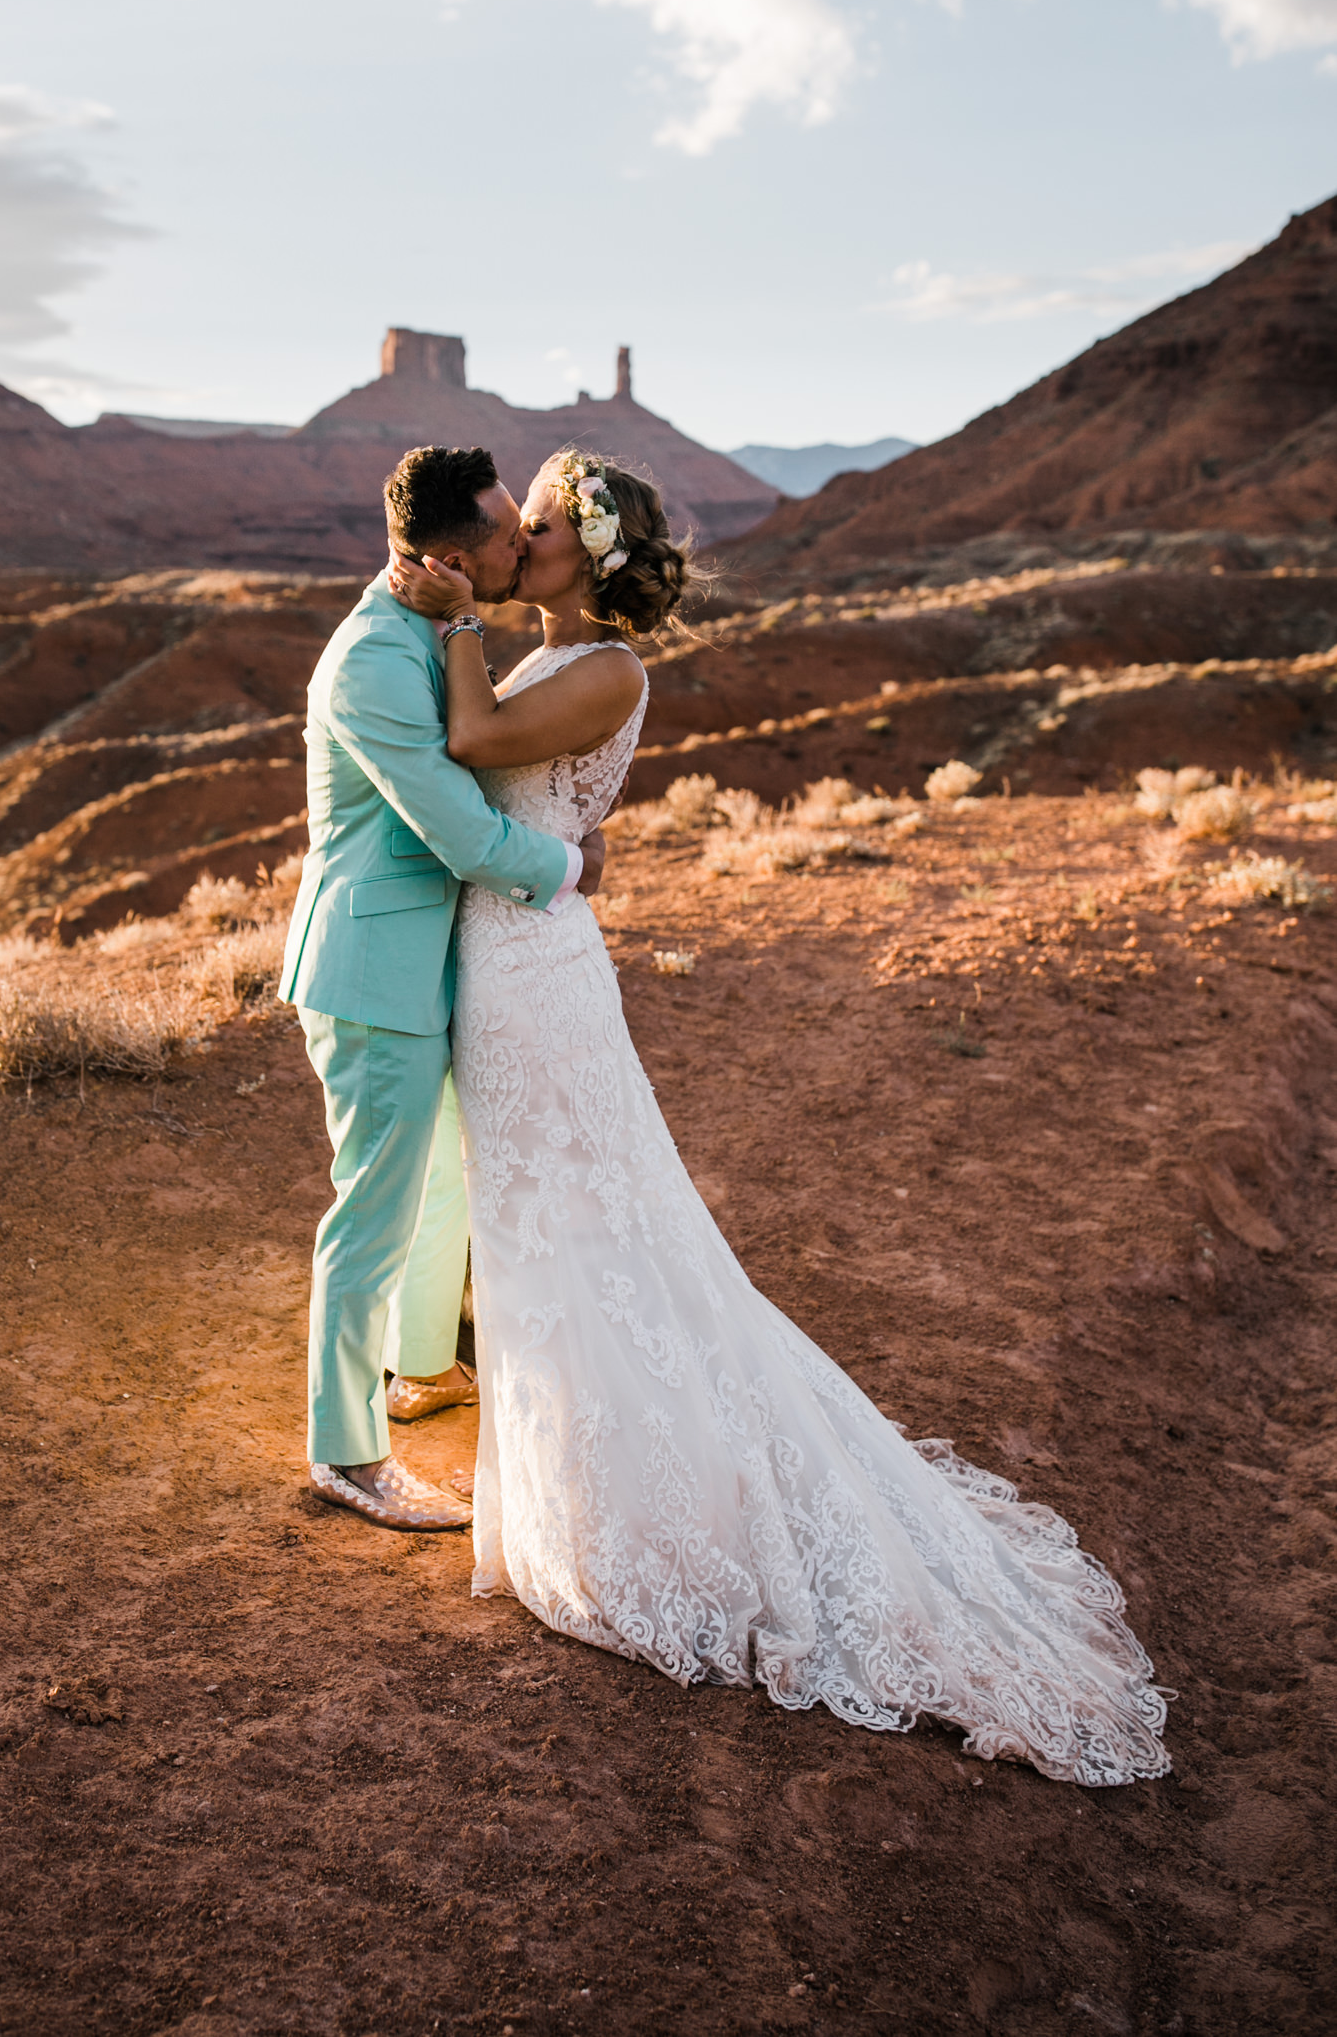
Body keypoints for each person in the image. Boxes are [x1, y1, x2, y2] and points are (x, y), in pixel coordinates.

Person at [387, 450, 1169, 1786]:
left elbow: (471, 744)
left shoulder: (609, 668)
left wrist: (450, 616)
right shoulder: (555, 652)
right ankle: (566, 1457)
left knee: (579, 1225)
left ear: (592, 552)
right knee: (543, 1224)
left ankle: (631, 1506)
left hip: (533, 982)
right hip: (507, 960)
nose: (523, 530)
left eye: (547, 522)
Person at [279, 445, 605, 1533]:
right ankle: (345, 1452)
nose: (524, 545)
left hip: (419, 964)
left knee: (429, 1192)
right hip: (373, 973)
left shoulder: (427, 629)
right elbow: (457, 831)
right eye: (508, 535)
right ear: (445, 559)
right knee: (370, 1213)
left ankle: (417, 1368)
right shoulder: (374, 659)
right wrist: (568, 867)